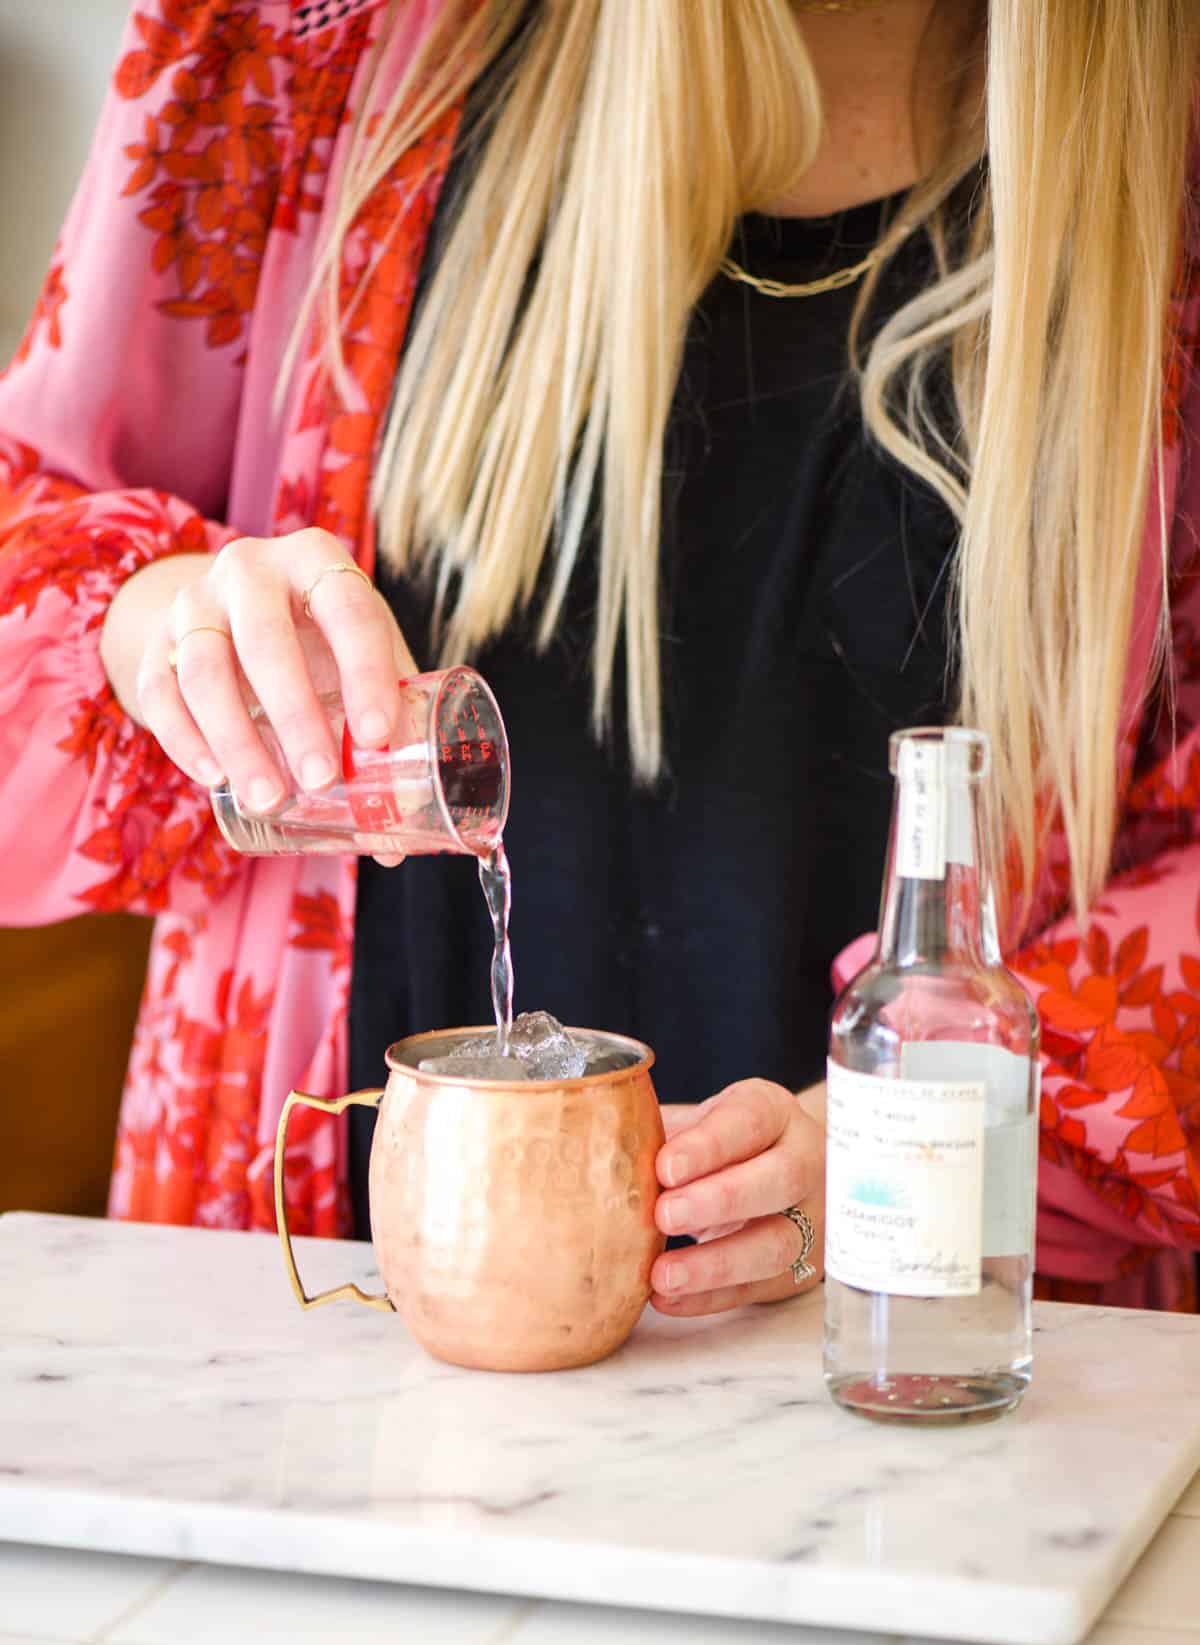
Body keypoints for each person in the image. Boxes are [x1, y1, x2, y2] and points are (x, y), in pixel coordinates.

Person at [1, 0, 1197, 1315]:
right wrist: (148, 619)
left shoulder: (1166, 164)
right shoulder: (301, 42)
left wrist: (926, 1142)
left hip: (931, 1355)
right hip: (322, 1342)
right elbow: (32, 534)